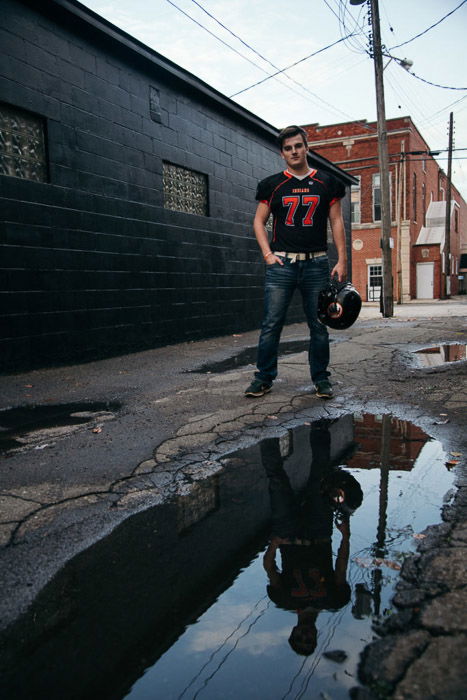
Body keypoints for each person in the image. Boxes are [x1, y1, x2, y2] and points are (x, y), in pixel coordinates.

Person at [245, 125, 347, 399]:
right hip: (282, 265)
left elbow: (336, 221)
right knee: (271, 324)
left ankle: (321, 379)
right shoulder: (272, 184)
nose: (294, 151)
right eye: (288, 148)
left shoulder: (327, 182)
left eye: (298, 146)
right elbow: (258, 221)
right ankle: (264, 378)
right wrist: (267, 254)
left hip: (316, 264)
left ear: (306, 147)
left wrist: (342, 258)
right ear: (282, 153)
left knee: (319, 325)